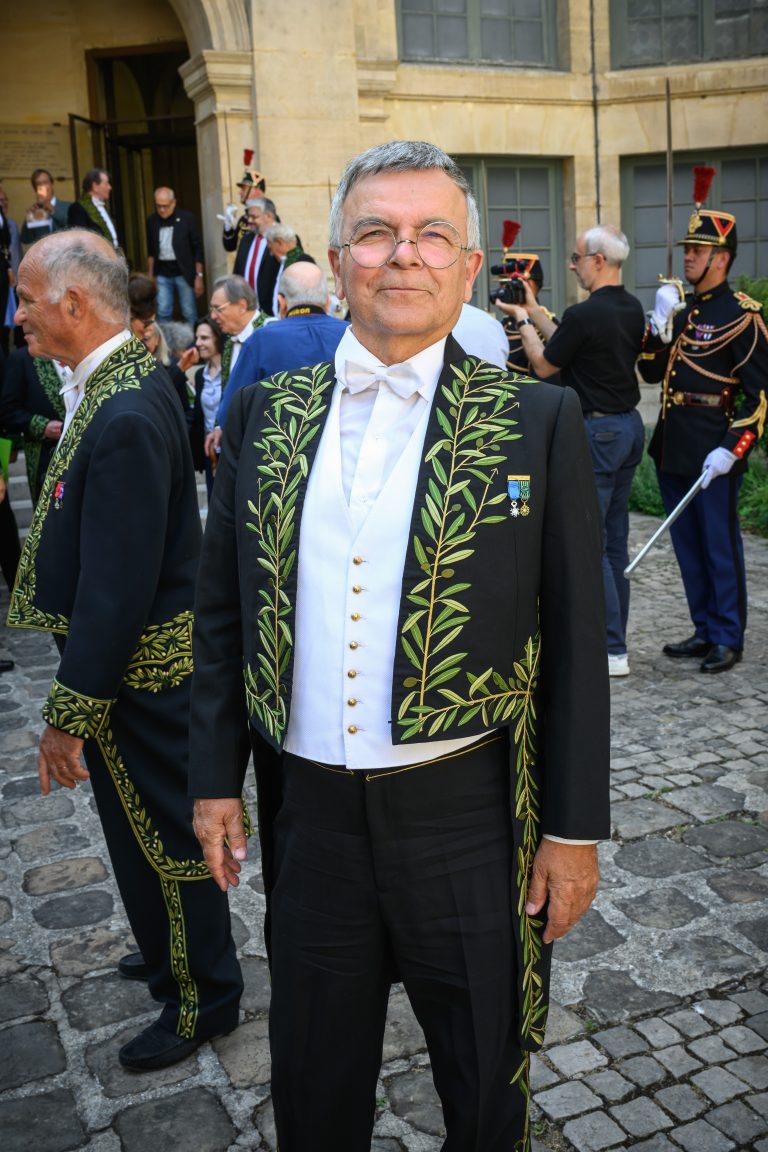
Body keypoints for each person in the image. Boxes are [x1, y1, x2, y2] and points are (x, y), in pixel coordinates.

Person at [189, 140, 609, 1151]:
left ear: (469, 268)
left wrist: (573, 830)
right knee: (315, 1084)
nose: (401, 255)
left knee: (483, 1088)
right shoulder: (264, 410)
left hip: (466, 820)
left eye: (431, 234)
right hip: (312, 823)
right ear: (338, 260)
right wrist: (215, 780)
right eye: (376, 231)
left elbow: (575, 646)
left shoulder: (534, 420)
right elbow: (221, 612)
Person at [9, 229, 242, 1071]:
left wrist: (67, 715)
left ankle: (206, 994)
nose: (20, 315)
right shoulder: (112, 381)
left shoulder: (129, 404)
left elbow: (120, 582)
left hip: (145, 672)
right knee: (135, 831)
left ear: (74, 304)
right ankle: (166, 953)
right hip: (125, 670)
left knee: (174, 842)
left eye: (28, 299)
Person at [500, 225, 645, 678]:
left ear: (598, 261)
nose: (572, 264)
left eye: (578, 257)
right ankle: (616, 643)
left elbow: (544, 364)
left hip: (599, 433)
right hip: (627, 428)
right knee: (615, 545)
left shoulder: (586, 314)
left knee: (594, 544)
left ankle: (610, 647)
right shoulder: (629, 306)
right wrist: (534, 311)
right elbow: (565, 334)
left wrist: (522, 321)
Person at [638, 203, 768, 673]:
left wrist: (732, 450)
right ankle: (704, 627)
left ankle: (728, 635)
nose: (688, 257)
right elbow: (652, 373)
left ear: (722, 259)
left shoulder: (742, 316)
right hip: (674, 444)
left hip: (713, 449)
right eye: (688, 248)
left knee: (718, 545)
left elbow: (759, 398)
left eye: (698, 250)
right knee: (688, 547)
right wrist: (658, 326)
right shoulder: (684, 310)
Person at [213, 260, 348, 437]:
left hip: (277, 456)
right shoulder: (351, 334)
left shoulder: (260, 340)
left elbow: (230, 412)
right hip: (339, 449)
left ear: (281, 302)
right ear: (327, 300)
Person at [0, 344, 65, 503]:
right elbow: (8, 409)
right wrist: (42, 426)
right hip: (46, 457)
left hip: (83, 455)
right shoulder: (23, 359)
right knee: (57, 506)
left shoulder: (82, 353)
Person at [146, 187, 204, 326]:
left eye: (165, 206)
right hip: (162, 273)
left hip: (184, 272)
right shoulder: (152, 221)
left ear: (173, 203)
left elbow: (197, 249)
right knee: (163, 311)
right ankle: (166, 345)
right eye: (158, 206)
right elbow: (151, 251)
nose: (162, 210)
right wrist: (150, 275)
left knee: (189, 312)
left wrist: (199, 276)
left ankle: (193, 345)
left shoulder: (187, 219)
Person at [185, 314, 225, 497]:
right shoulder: (201, 374)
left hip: (230, 453)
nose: (198, 343)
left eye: (205, 338)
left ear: (218, 338)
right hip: (210, 455)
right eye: (197, 338)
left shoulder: (232, 370)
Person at [231, 198, 282, 316]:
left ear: (268, 216)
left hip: (272, 311)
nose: (249, 220)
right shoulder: (246, 240)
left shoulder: (283, 239)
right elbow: (237, 273)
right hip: (247, 311)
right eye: (249, 217)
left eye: (254, 217)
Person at [67, 169, 119, 248]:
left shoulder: (103, 207)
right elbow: (80, 241)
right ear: (95, 187)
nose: (110, 187)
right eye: (106, 184)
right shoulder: (78, 208)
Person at [20, 168, 71, 244]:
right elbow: (25, 240)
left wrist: (52, 209)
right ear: (35, 190)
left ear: (52, 185)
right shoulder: (34, 211)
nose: (43, 187)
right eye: (39, 184)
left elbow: (74, 228)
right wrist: (29, 219)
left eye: (45, 182)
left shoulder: (68, 206)